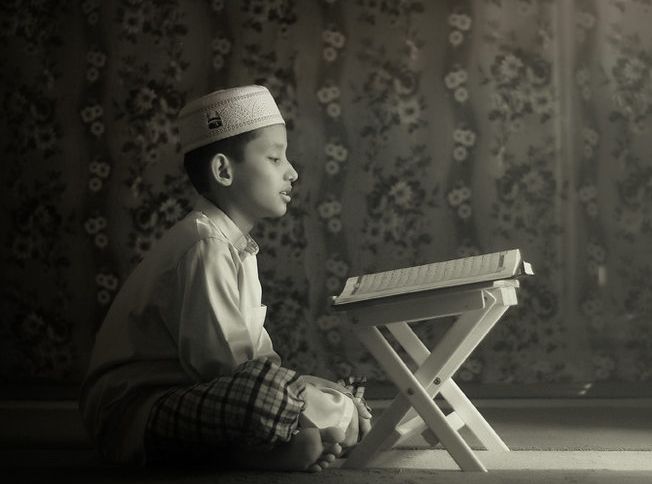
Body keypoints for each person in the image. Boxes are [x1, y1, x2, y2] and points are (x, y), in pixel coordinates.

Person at [79, 85, 371, 472]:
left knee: (291, 391)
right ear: (223, 170)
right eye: (274, 158)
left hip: (201, 396)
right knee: (270, 396)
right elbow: (228, 371)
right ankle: (267, 448)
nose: (292, 171)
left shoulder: (236, 246)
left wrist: (324, 397)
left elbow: (260, 360)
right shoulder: (204, 244)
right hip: (132, 414)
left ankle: (283, 443)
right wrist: (326, 408)